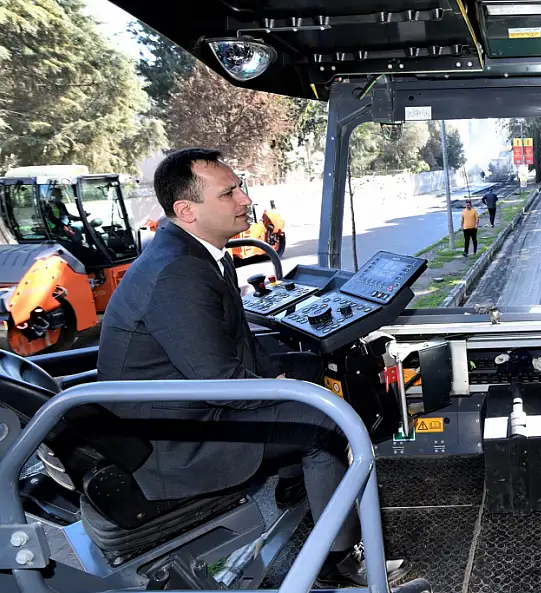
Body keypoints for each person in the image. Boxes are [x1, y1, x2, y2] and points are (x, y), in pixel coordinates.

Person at [97, 148, 409, 588]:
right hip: (173, 441)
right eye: (229, 193)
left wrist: (285, 378)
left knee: (306, 365)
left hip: (182, 407)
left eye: (240, 187)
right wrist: (281, 389)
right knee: (328, 425)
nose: (245, 200)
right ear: (186, 210)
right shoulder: (178, 272)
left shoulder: (198, 252)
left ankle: (293, 484)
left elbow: (238, 343)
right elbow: (222, 384)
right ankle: (335, 561)